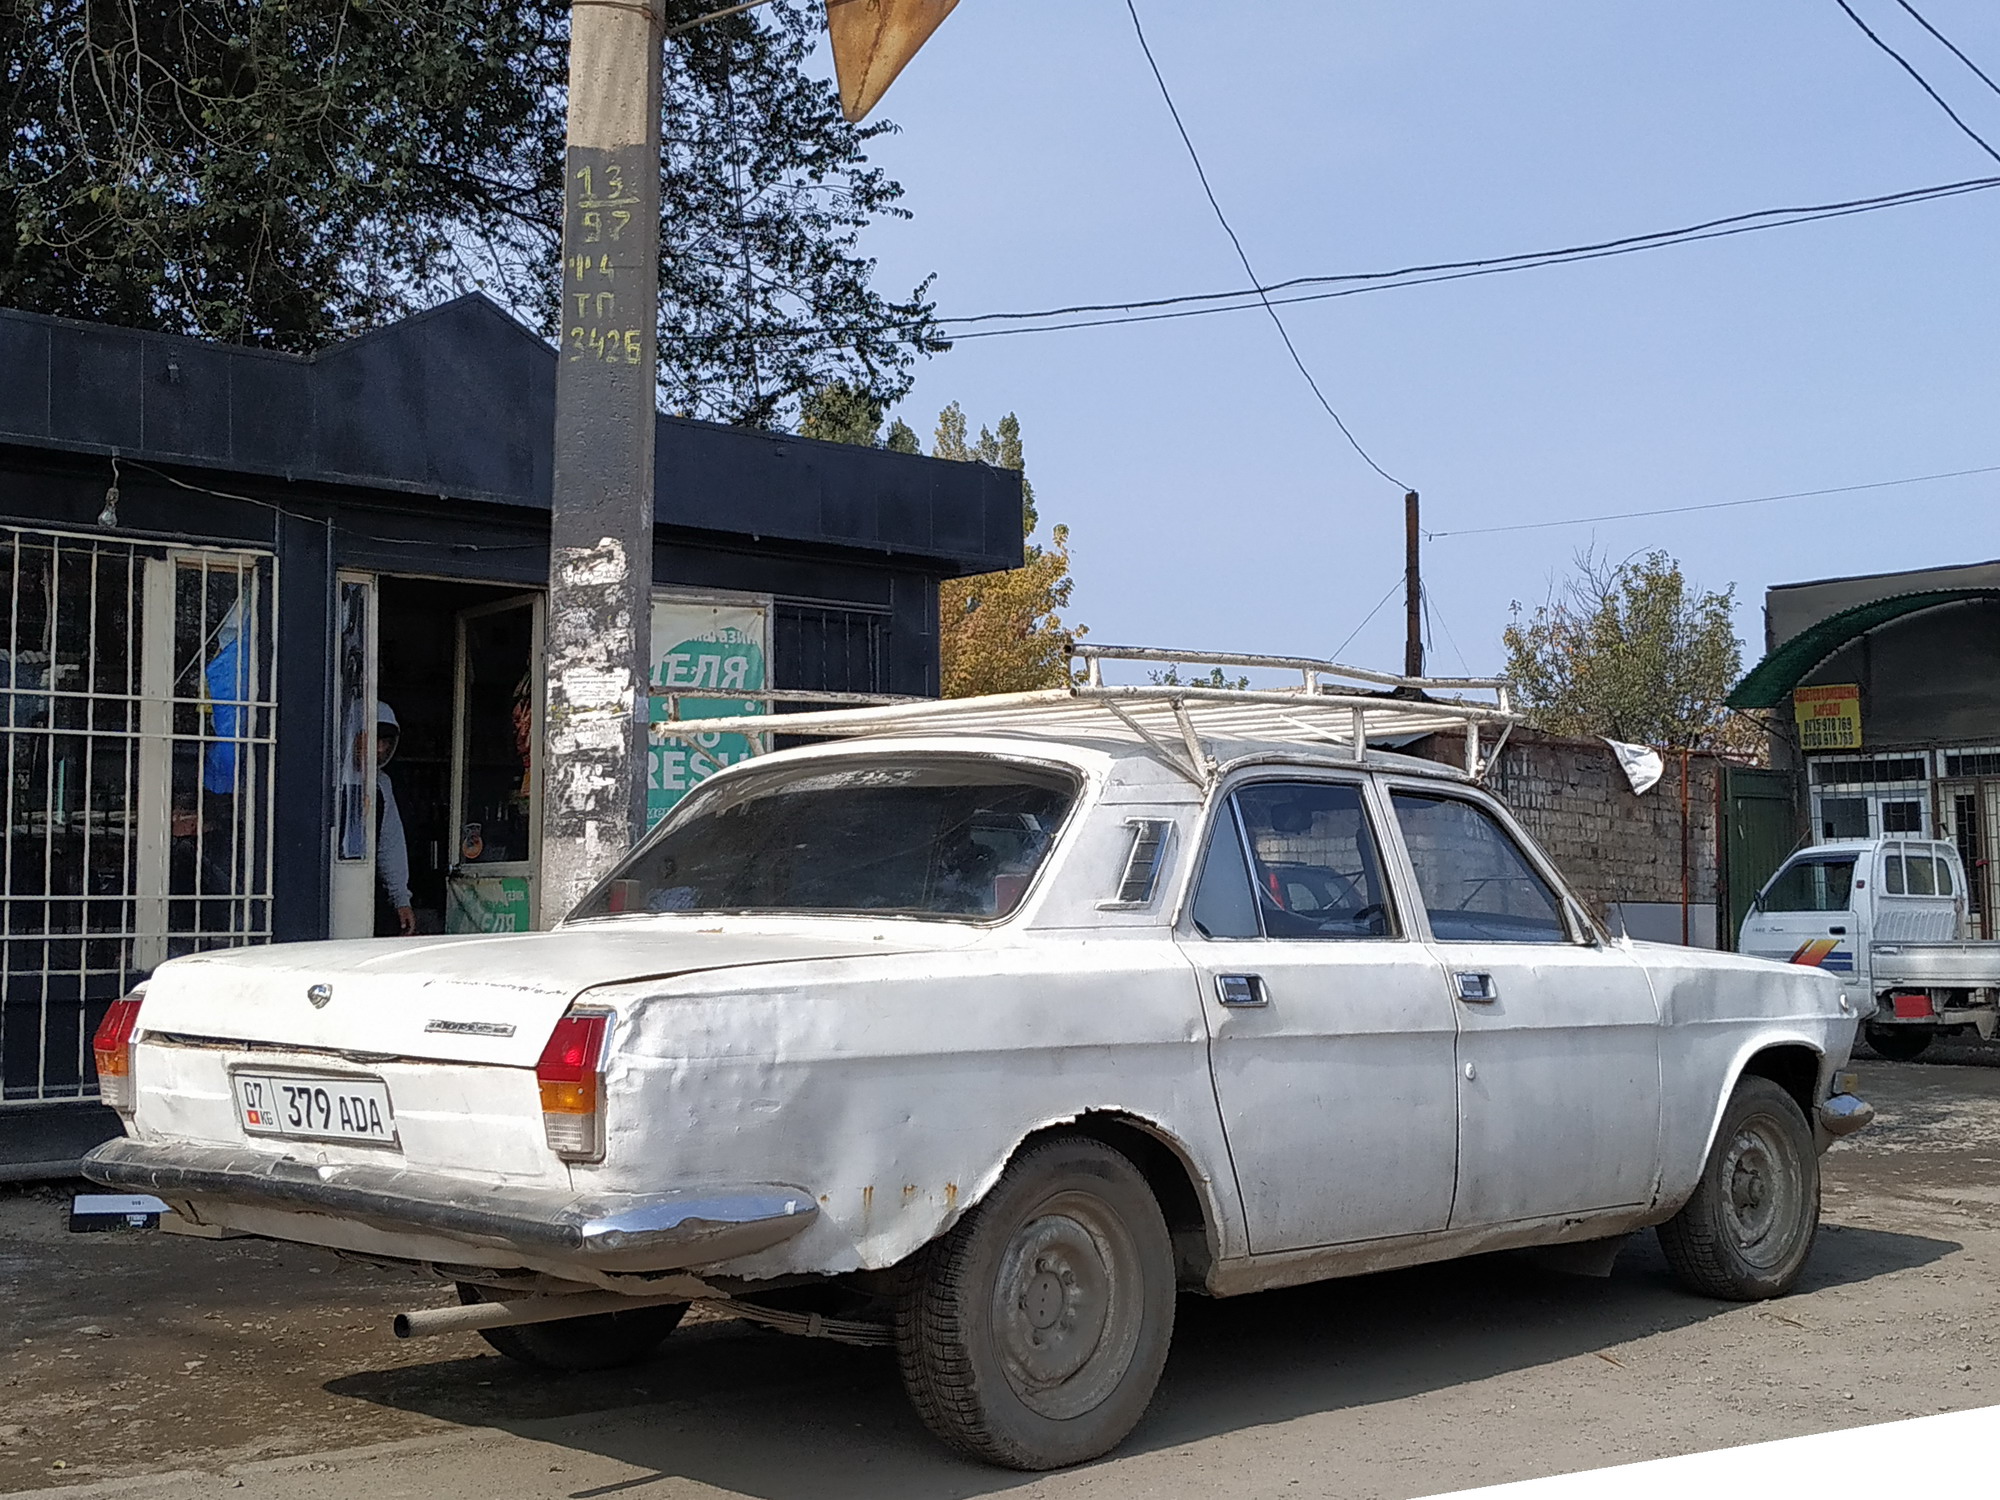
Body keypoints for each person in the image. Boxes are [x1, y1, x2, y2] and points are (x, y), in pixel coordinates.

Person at [375, 702, 416, 936]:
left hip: (372, 891)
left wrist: (401, 899)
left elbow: (391, 844)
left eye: (386, 742)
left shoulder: (382, 784)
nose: (380, 749)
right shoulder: (331, 776)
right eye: (374, 739)